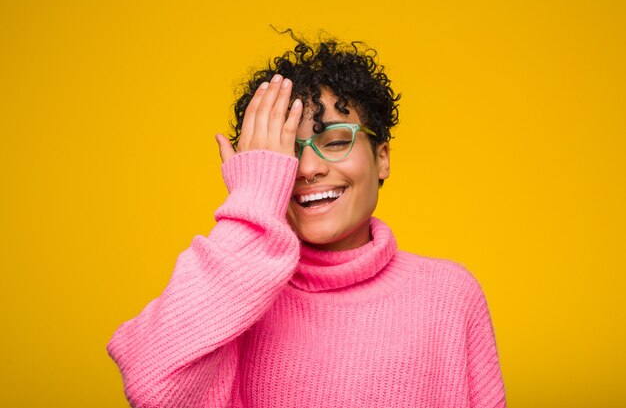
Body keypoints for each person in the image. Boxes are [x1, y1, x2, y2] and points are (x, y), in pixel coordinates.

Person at [107, 32, 506, 408]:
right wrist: (252, 202)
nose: (308, 168)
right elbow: (152, 388)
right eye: (287, 154)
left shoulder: (451, 296)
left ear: (382, 158)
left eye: (335, 141)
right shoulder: (232, 302)